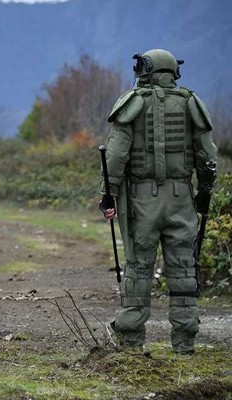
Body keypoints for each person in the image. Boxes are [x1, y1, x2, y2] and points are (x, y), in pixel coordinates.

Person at [100, 49, 217, 354]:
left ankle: (131, 340)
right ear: (172, 72)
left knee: (138, 268)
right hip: (181, 199)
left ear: (146, 70)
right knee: (183, 268)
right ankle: (184, 342)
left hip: (141, 201)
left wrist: (107, 194)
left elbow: (115, 156)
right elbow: (208, 156)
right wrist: (204, 193)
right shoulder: (191, 103)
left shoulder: (132, 104)